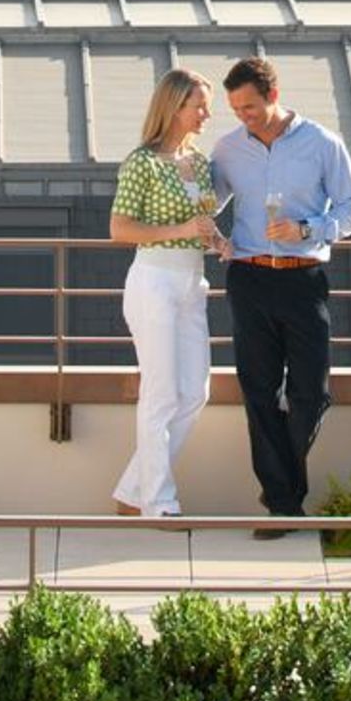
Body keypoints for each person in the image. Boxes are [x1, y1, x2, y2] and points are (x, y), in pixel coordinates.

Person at [212, 57, 351, 536]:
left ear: (274, 95)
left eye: (251, 107)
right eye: (236, 109)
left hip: (303, 280)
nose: (244, 117)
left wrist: (308, 229)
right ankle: (282, 504)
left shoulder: (323, 144)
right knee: (258, 392)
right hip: (249, 278)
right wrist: (205, 232)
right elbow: (205, 203)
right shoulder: (228, 148)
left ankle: (283, 484)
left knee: (311, 393)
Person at [107, 68, 225, 519]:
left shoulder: (198, 163)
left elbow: (203, 222)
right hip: (153, 281)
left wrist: (217, 241)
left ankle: (133, 491)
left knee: (195, 391)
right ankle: (157, 502)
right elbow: (120, 228)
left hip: (192, 281)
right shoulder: (143, 162)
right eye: (199, 106)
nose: (206, 114)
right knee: (160, 394)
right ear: (174, 108)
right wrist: (181, 229)